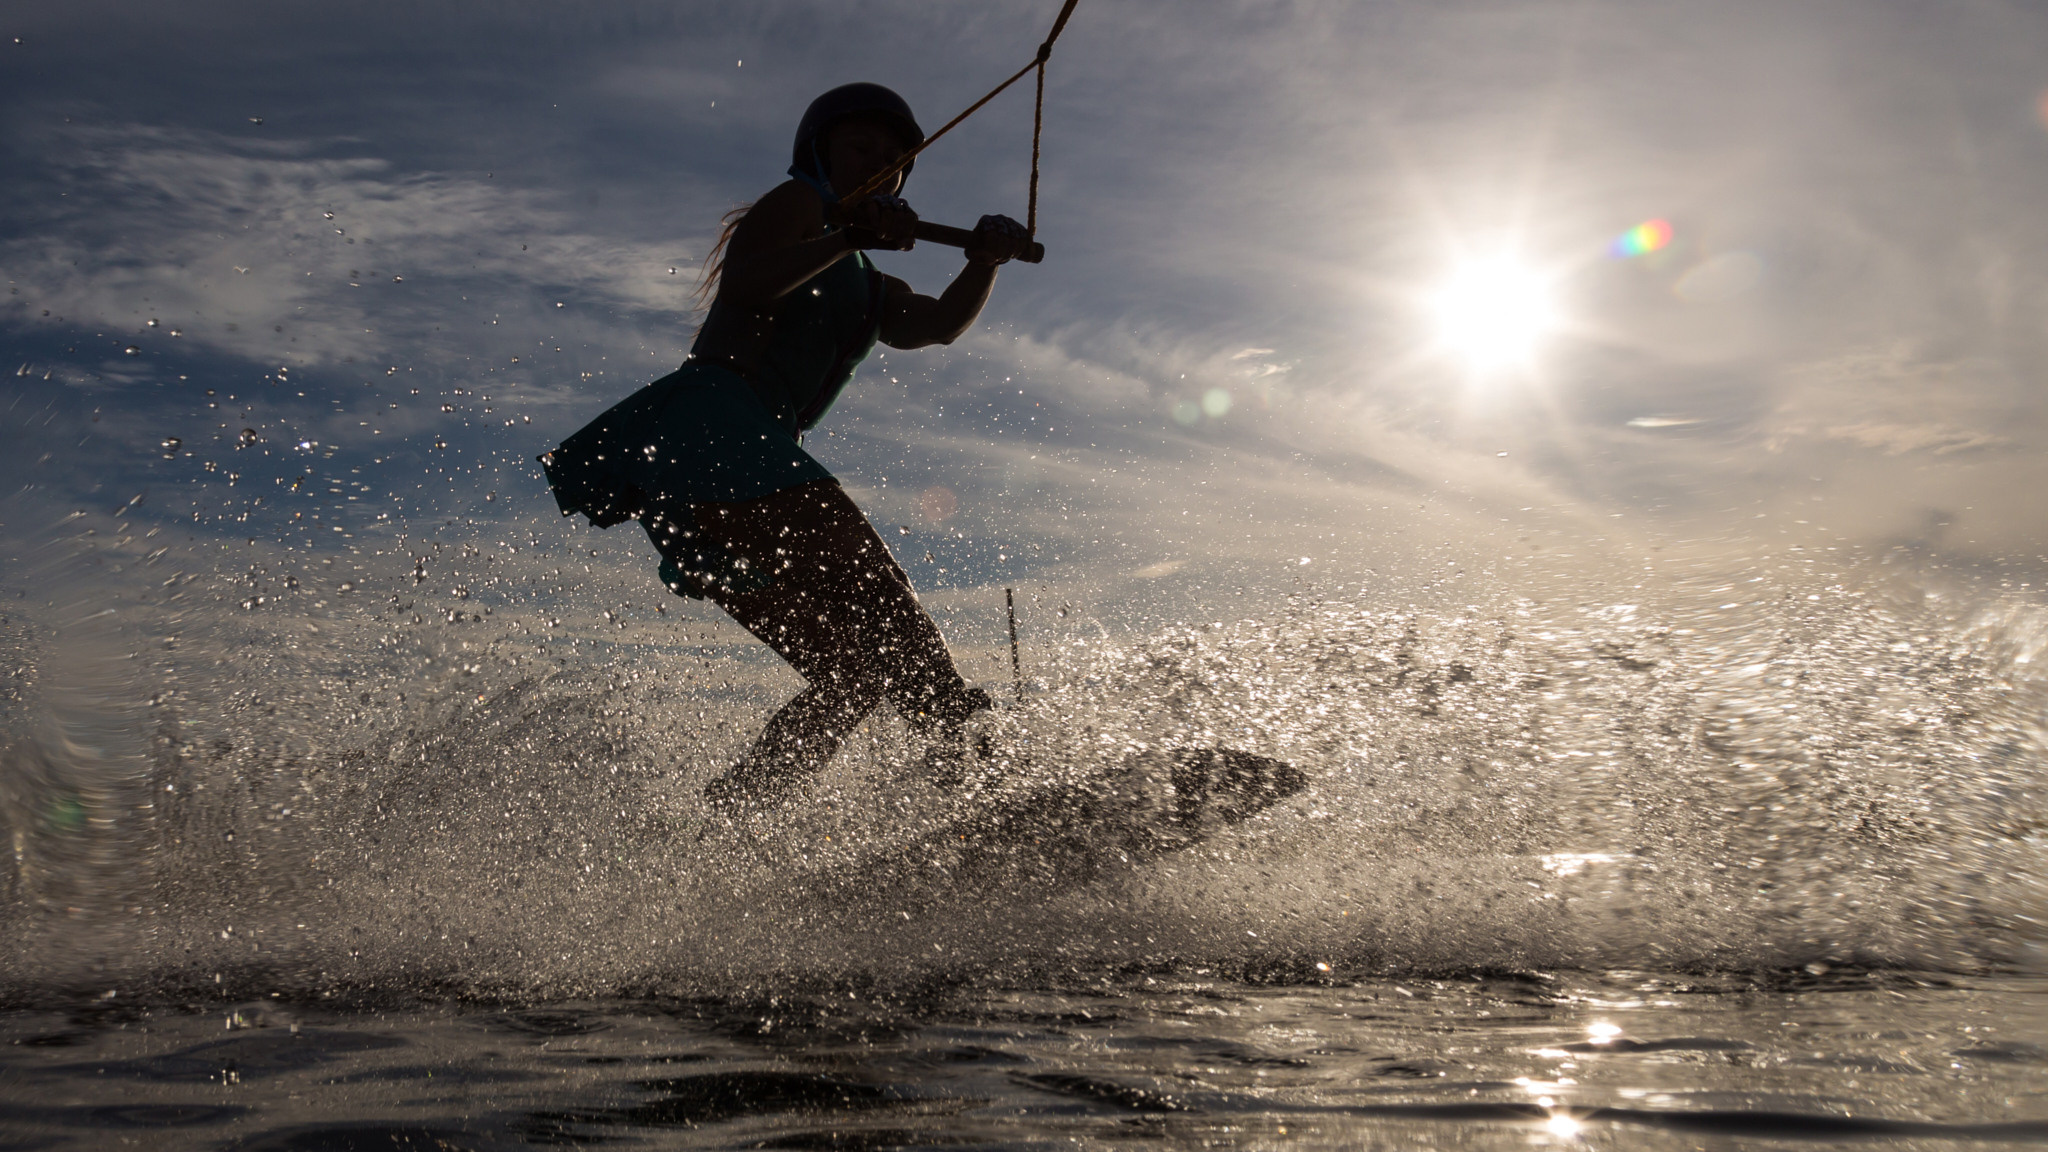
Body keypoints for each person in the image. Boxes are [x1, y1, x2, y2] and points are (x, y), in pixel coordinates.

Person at [540, 83, 1033, 813]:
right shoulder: (800, 204)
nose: (880, 165)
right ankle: (969, 761)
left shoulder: (868, 282)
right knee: (877, 594)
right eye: (862, 148)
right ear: (819, 150)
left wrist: (984, 263)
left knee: (854, 676)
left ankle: (728, 823)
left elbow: (937, 324)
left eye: (895, 161)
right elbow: (745, 282)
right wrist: (847, 234)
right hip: (713, 429)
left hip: (723, 477)